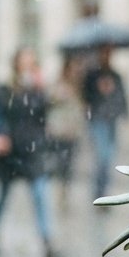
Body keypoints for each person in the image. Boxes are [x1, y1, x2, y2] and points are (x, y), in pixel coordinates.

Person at [0, 48, 61, 257]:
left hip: (32, 151)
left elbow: (44, 115)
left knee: (40, 194)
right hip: (11, 152)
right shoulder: (6, 89)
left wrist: (43, 91)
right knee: (2, 195)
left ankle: (47, 242)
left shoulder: (38, 90)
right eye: (24, 61)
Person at [82, 43, 129, 200]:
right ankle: (99, 191)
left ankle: (103, 191)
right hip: (98, 120)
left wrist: (125, 113)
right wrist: (99, 90)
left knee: (109, 158)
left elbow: (122, 97)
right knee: (102, 157)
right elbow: (85, 96)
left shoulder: (116, 75)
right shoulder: (92, 75)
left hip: (112, 120)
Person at [46, 54, 86, 208]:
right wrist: (59, 95)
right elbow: (49, 101)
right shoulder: (58, 84)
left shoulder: (79, 88)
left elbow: (80, 110)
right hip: (59, 131)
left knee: (69, 165)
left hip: (73, 133)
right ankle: (60, 191)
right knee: (60, 163)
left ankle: (65, 192)